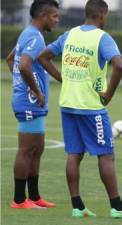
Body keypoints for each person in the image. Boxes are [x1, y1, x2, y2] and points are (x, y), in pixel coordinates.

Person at [38, 0, 122, 219]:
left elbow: (43, 57)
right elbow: (119, 65)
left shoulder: (70, 35)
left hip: (68, 104)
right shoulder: (102, 38)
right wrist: (110, 94)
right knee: (106, 155)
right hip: (91, 107)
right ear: (102, 15)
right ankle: (117, 207)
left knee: (74, 154)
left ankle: (77, 206)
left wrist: (63, 79)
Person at [6, 0, 60, 209]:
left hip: (31, 101)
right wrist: (35, 90)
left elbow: (11, 59)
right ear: (43, 15)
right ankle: (19, 200)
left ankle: (35, 197)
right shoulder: (34, 37)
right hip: (29, 102)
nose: (57, 20)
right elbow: (24, 64)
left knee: (38, 148)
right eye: (54, 16)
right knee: (26, 150)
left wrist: (22, 85)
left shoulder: (29, 33)